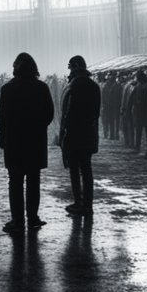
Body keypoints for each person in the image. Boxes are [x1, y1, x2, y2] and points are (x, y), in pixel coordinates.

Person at [0, 53, 54, 233]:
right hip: (35, 141)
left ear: (16, 68)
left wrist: (3, 136)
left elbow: (3, 117)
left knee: (15, 182)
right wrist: (37, 127)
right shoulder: (42, 88)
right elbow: (49, 113)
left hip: (14, 141)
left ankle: (17, 220)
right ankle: (33, 217)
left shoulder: (7, 89)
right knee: (33, 180)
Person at [60, 55, 100, 218]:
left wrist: (63, 133)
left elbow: (68, 112)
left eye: (70, 67)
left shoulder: (74, 85)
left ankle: (78, 202)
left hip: (74, 133)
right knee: (87, 169)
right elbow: (96, 112)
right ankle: (88, 205)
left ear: (75, 67)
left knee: (75, 169)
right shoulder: (94, 86)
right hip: (89, 132)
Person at [130, 71, 147, 157]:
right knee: (141, 131)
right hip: (140, 111)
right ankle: (141, 148)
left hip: (145, 111)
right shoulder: (140, 85)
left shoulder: (145, 86)